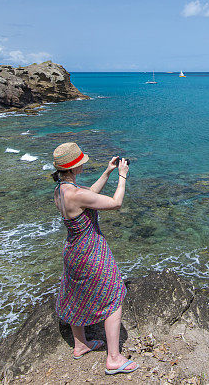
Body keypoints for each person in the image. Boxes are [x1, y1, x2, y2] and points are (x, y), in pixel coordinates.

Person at [51, 142, 138, 376]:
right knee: (114, 296)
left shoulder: (61, 190)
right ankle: (113, 358)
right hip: (90, 252)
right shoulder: (77, 194)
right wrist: (122, 176)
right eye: (80, 163)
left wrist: (107, 172)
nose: (83, 165)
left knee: (75, 294)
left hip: (72, 251)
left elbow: (88, 194)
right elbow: (115, 202)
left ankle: (80, 344)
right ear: (74, 167)